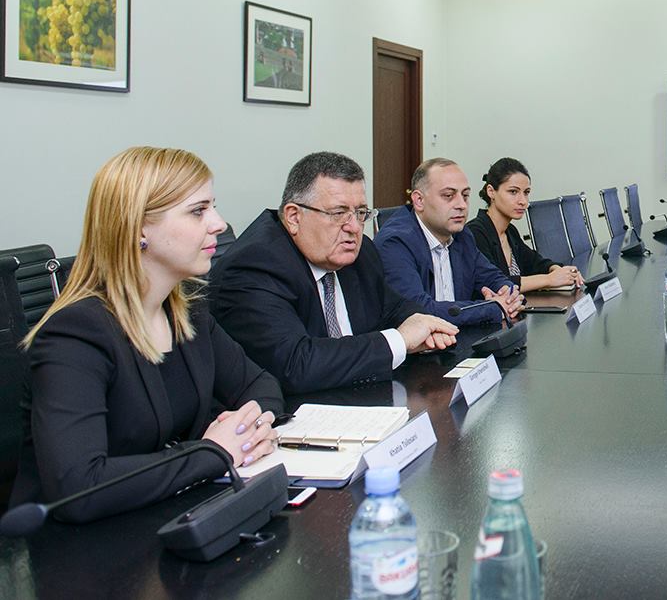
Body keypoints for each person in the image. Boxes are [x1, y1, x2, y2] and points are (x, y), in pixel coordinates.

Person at [10, 147, 283, 523]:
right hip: (78, 547)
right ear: (139, 227)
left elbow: (261, 386)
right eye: (198, 211)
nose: (219, 224)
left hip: (167, 515)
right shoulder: (73, 335)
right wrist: (211, 452)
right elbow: (78, 487)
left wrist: (248, 432)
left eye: (213, 207)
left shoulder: (188, 313)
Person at [209, 152, 457, 395]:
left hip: (360, 399)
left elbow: (391, 307)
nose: (354, 227)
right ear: (294, 217)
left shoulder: (359, 252)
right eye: (338, 213)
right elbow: (296, 364)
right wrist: (400, 341)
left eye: (360, 213)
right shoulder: (254, 266)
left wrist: (420, 322)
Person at [375, 158, 523, 326]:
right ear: (419, 200)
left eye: (465, 195)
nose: (461, 205)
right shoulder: (395, 243)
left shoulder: (462, 235)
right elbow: (418, 311)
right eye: (448, 196)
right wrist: (493, 308)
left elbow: (494, 278)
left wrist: (509, 296)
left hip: (459, 336)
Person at [465, 157, 585, 292]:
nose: (523, 201)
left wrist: (560, 271)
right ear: (491, 191)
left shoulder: (510, 231)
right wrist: (549, 279)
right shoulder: (474, 232)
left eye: (526, 192)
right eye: (513, 192)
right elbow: (495, 283)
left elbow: (535, 263)